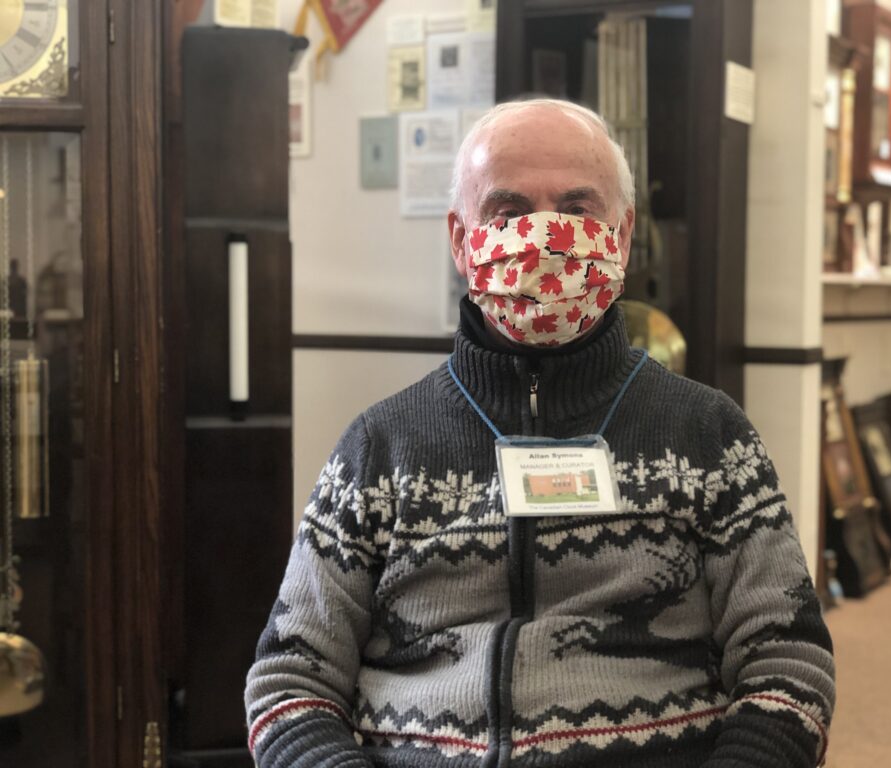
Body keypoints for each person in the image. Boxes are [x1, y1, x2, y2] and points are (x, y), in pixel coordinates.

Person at [245, 98, 836, 768]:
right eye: (509, 212)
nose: (545, 235)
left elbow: (789, 662)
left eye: (577, 210)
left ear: (621, 232)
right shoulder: (378, 447)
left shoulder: (708, 433)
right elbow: (290, 684)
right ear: (462, 240)